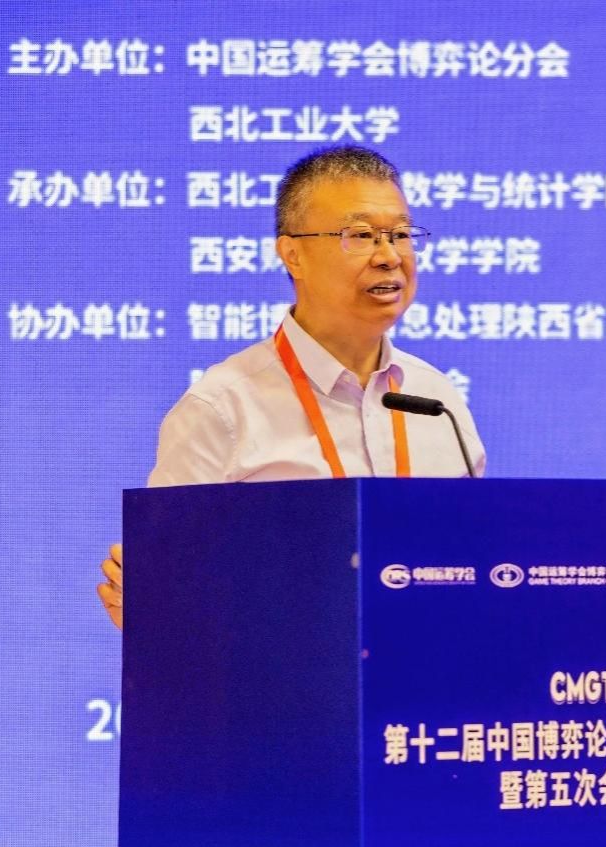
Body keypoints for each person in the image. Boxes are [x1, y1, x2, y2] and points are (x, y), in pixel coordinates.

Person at [97, 145, 486, 629]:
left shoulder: (437, 399)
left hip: (422, 668)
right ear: (293, 254)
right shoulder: (222, 409)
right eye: (361, 236)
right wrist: (150, 609)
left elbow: (477, 563)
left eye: (401, 235)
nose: (390, 257)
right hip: (281, 672)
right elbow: (169, 600)